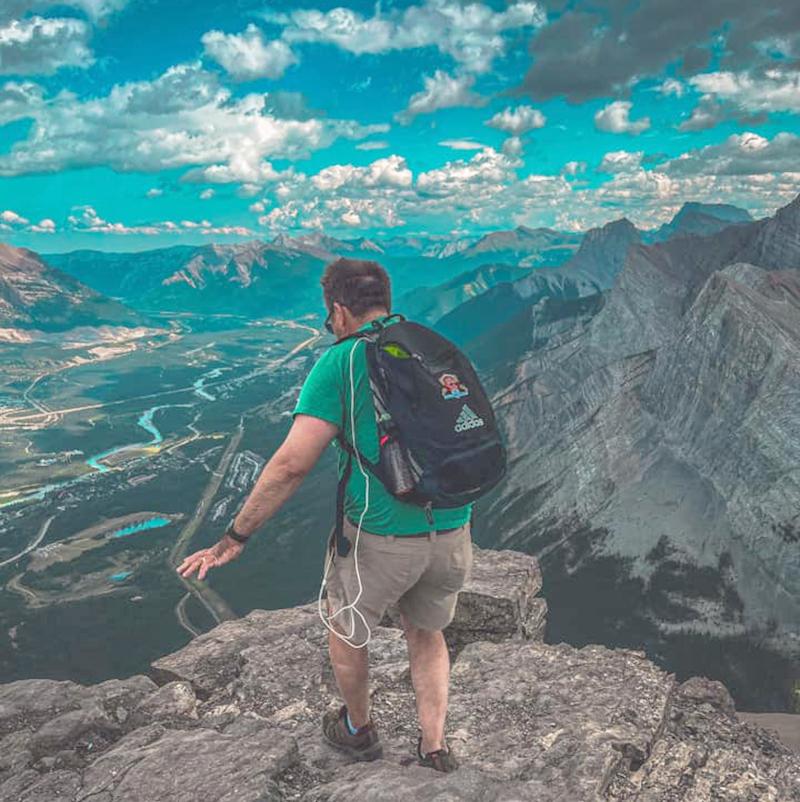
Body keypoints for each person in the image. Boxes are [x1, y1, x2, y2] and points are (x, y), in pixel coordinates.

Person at [177, 257, 473, 773]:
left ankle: (358, 730)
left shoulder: (342, 361)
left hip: (380, 535)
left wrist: (234, 537)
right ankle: (434, 747)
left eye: (327, 315)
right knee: (426, 633)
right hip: (451, 525)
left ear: (338, 310)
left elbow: (291, 465)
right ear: (385, 297)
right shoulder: (428, 344)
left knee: (347, 628)